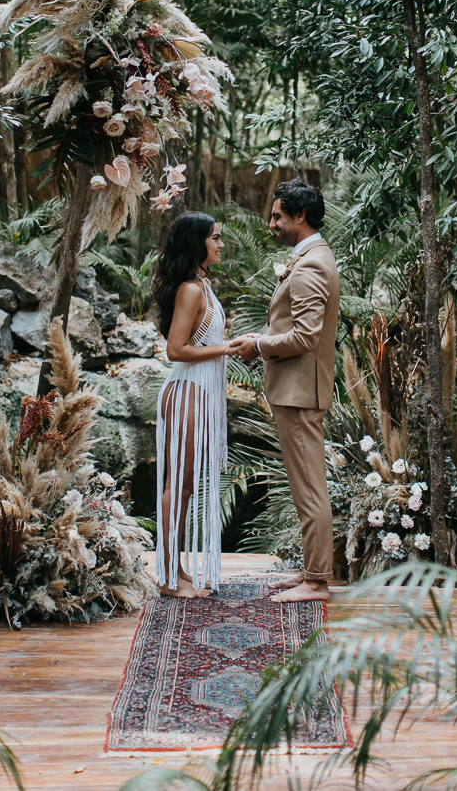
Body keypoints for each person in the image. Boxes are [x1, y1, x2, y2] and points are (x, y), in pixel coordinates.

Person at [232, 179, 340, 602]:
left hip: (300, 393)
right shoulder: (308, 257)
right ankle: (311, 572)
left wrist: (257, 345)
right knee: (303, 484)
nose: (271, 222)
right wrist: (261, 338)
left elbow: (305, 336)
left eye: (278, 215)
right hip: (293, 390)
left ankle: (316, 581)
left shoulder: (312, 263)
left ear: (300, 217)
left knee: (310, 485)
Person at [152, 212, 235, 598]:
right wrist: (227, 347)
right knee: (178, 485)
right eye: (214, 238)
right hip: (186, 390)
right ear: (197, 242)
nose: (220, 244)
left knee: (185, 487)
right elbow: (175, 349)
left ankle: (177, 568)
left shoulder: (203, 284)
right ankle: (168, 578)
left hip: (199, 393)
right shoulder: (190, 289)